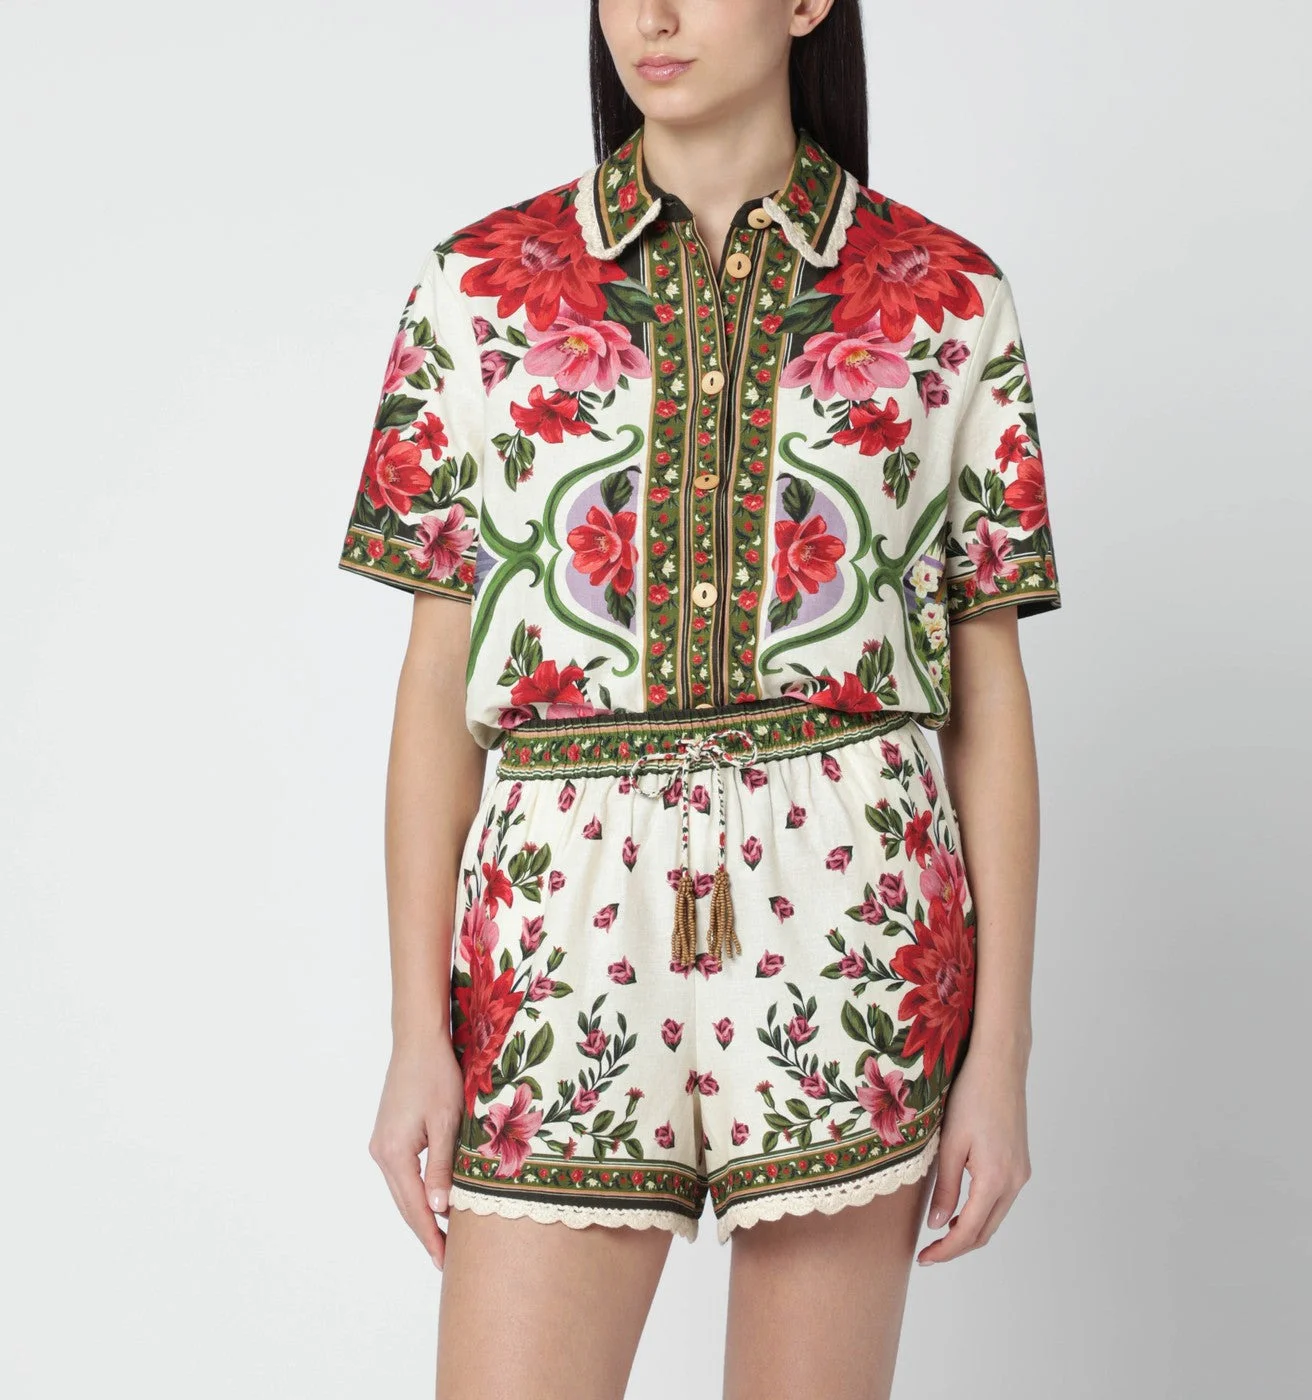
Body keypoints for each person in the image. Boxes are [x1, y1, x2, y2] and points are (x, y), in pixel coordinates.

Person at [338, 2, 1061, 1394]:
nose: (651, 17)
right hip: (558, 920)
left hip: (854, 912)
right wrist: (415, 1035)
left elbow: (987, 702)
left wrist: (1003, 1059)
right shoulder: (481, 290)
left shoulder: (948, 299)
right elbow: (437, 692)